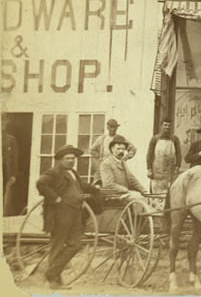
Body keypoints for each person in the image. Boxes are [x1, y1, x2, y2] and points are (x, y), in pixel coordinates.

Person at [35, 145, 91, 289]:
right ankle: (55, 281)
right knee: (58, 245)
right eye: (68, 158)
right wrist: (55, 198)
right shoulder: (54, 172)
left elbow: (76, 188)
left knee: (75, 244)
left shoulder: (73, 172)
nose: (71, 161)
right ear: (61, 159)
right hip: (60, 214)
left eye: (73, 158)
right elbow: (41, 183)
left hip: (75, 213)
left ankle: (51, 273)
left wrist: (86, 193)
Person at [101, 135, 147, 202]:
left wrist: (144, 191)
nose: (121, 151)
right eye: (118, 149)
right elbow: (109, 184)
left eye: (123, 149)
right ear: (112, 149)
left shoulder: (123, 162)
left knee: (146, 198)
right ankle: (138, 213)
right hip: (114, 195)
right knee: (139, 198)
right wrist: (127, 190)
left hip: (125, 194)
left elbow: (132, 179)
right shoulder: (106, 164)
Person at [89, 118, 136, 183]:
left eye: (115, 127)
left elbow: (133, 149)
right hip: (104, 165)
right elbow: (92, 150)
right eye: (111, 127)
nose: (113, 129)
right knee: (97, 182)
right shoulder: (102, 138)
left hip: (116, 166)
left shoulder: (121, 138)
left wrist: (125, 158)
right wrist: (99, 157)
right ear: (107, 127)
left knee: (121, 182)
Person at [146, 118, 181, 194]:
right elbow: (149, 154)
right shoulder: (155, 139)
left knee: (170, 193)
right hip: (157, 172)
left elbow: (178, 154)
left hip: (170, 171)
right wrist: (149, 169)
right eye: (165, 125)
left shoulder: (175, 139)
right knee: (156, 192)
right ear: (161, 126)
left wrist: (177, 167)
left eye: (169, 125)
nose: (167, 127)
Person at [2, 118, 19, 216]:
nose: (2, 126)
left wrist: (13, 175)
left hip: (5, 171)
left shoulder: (11, 139)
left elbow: (15, 158)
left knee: (3, 193)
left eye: (3, 124)